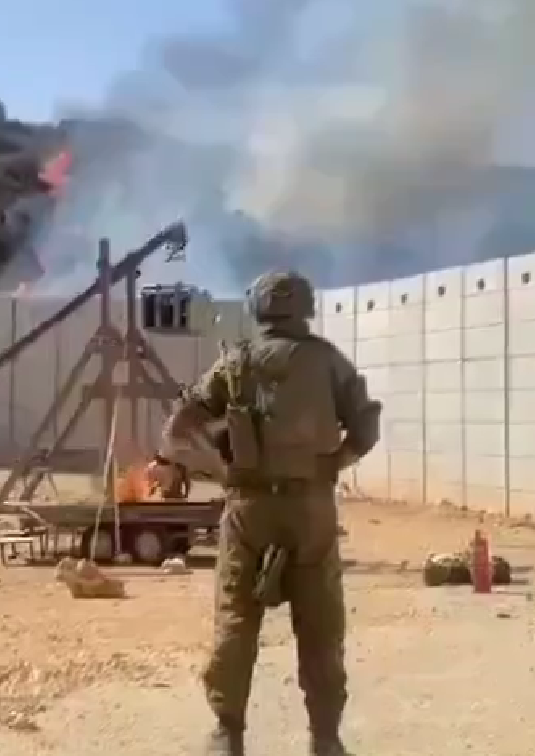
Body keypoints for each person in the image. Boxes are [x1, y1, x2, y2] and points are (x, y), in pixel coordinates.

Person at [150, 270, 382, 756]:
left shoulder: (234, 363)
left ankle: (227, 733)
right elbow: (365, 427)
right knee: (320, 625)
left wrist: (220, 469)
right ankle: (325, 738)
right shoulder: (328, 361)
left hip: (248, 509)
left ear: (257, 308)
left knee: (236, 618)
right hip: (311, 509)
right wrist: (331, 465)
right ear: (305, 307)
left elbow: (179, 427)